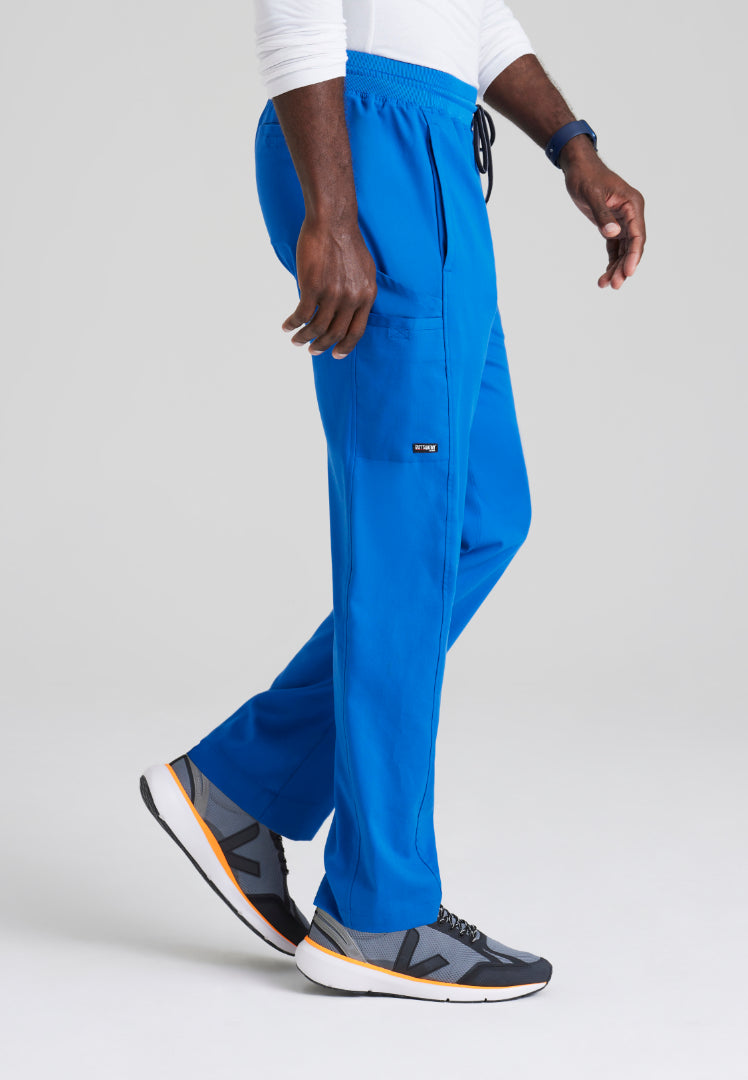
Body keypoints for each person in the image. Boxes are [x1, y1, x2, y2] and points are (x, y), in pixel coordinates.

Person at [140, 0, 645, 1003]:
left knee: (480, 517)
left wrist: (573, 147)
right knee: (407, 529)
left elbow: (472, 14)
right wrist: (332, 211)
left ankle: (242, 786)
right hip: (368, 137)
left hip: (435, 148)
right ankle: (377, 911)